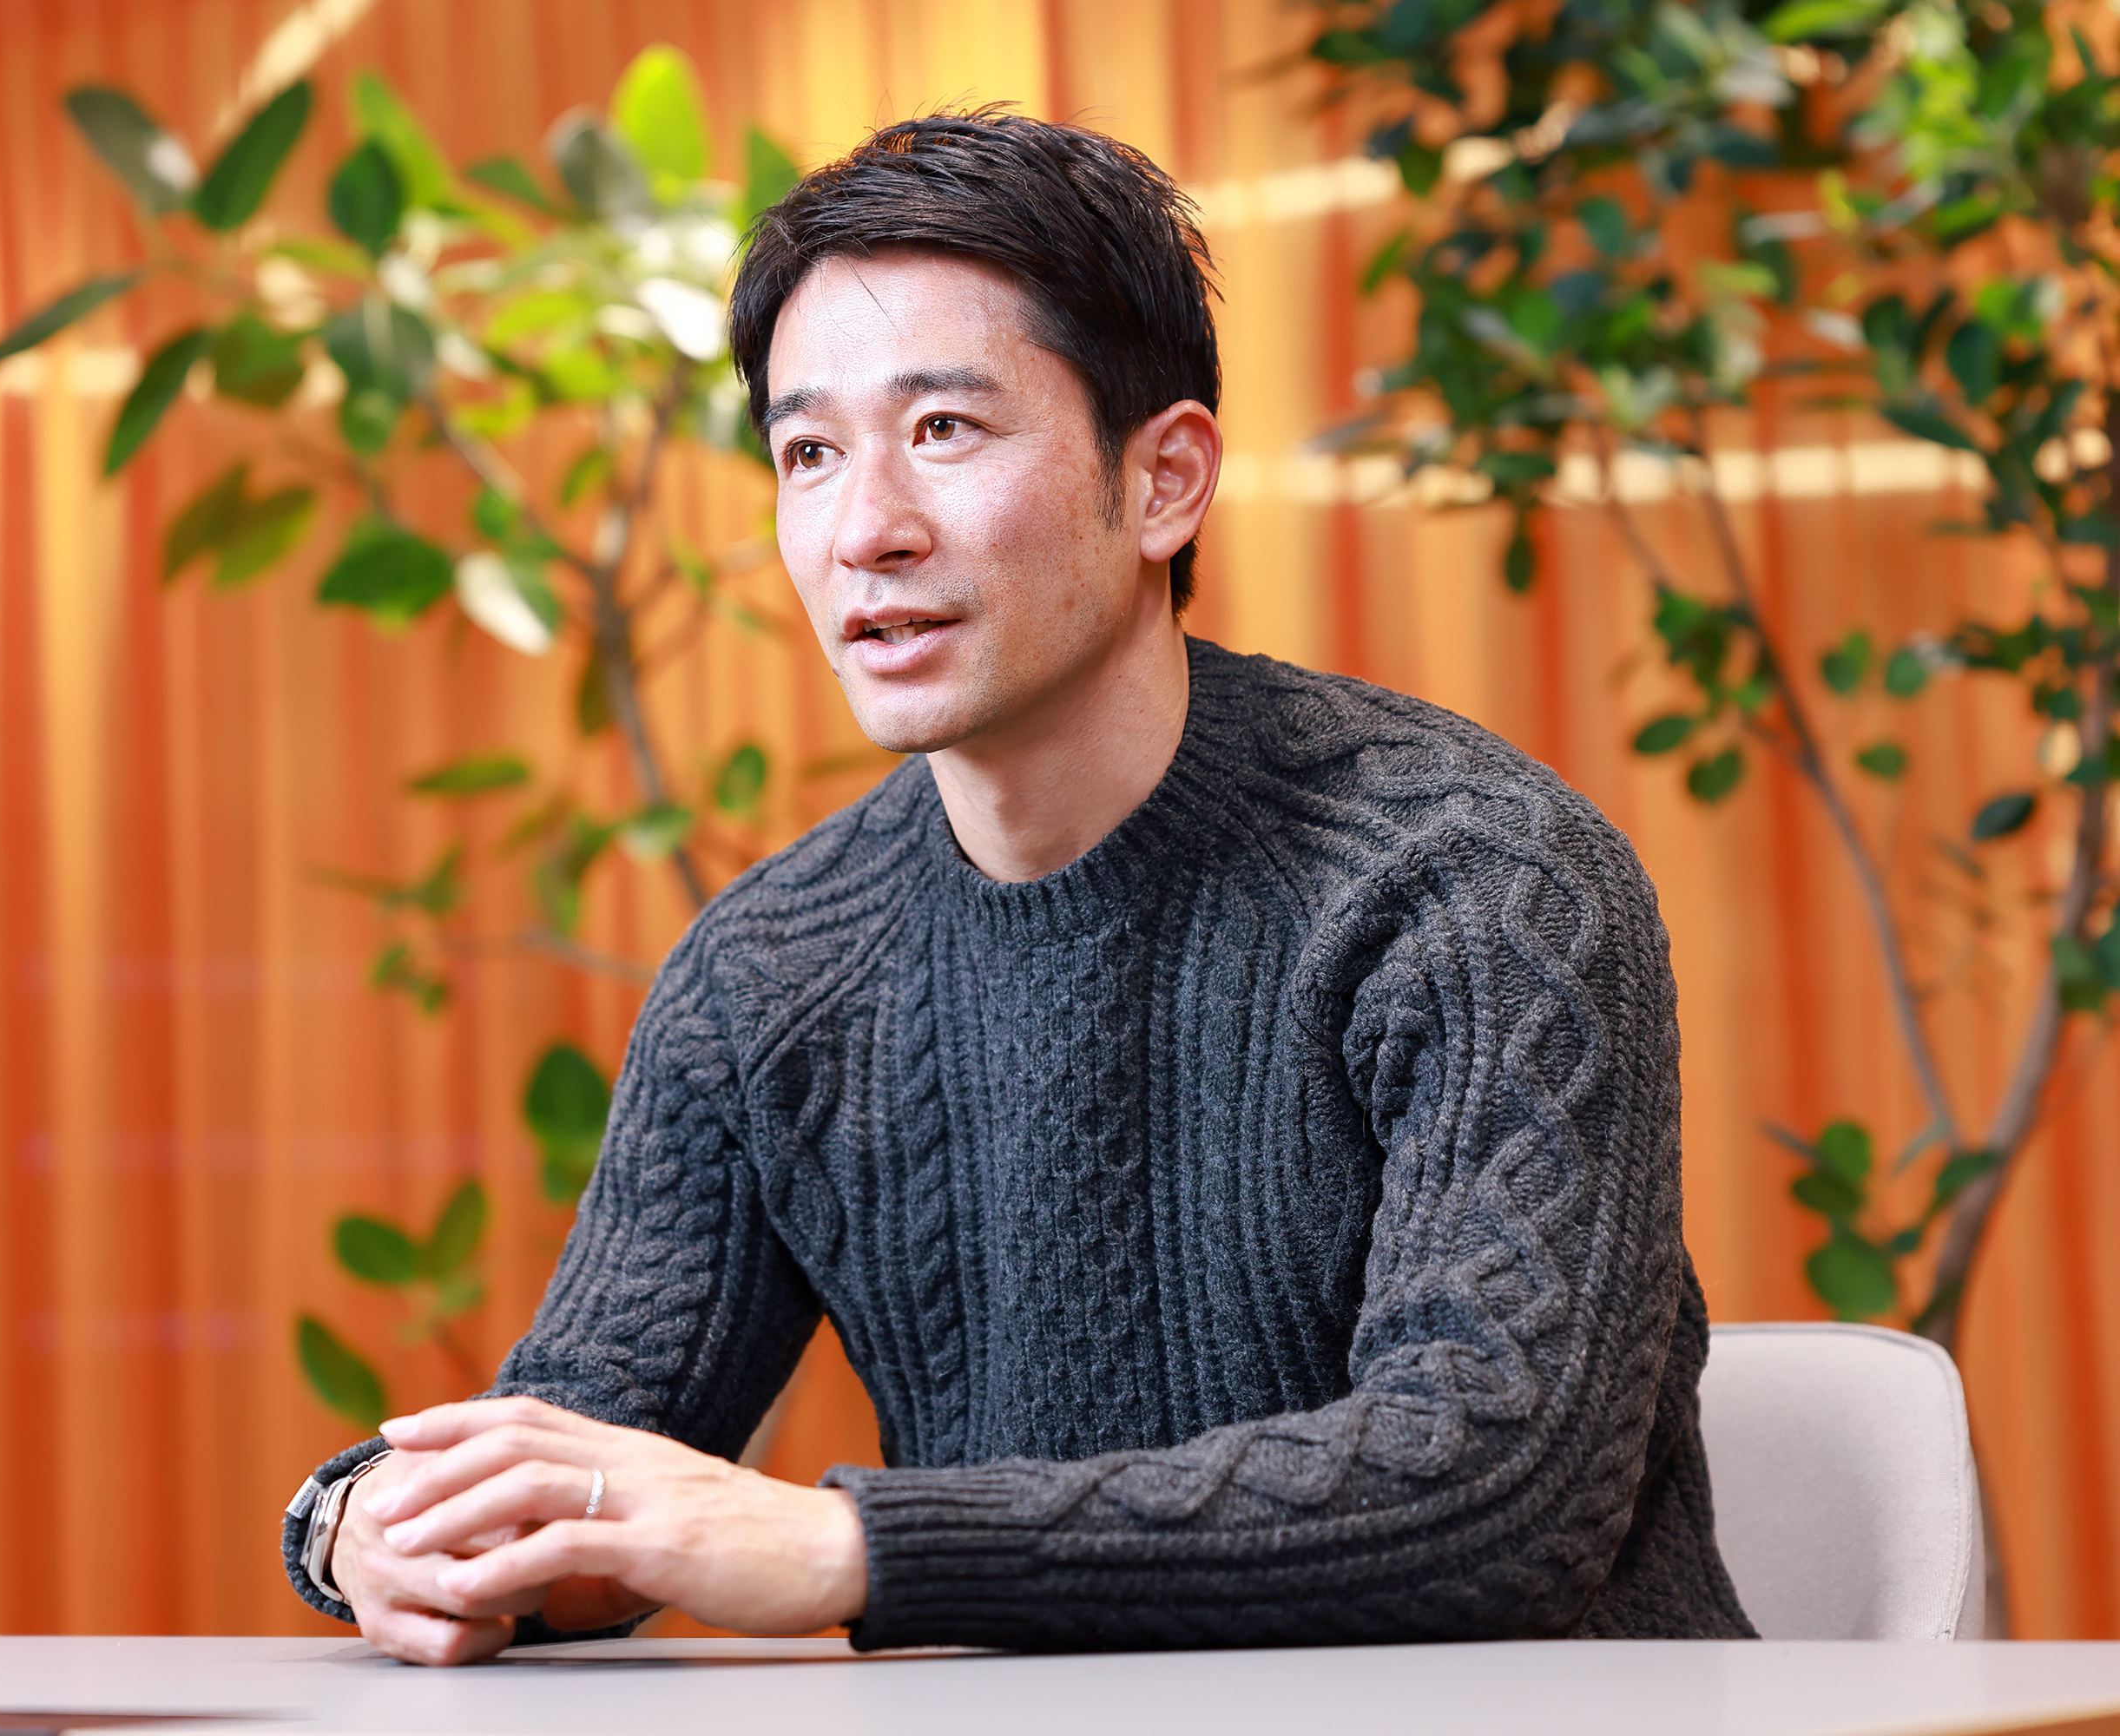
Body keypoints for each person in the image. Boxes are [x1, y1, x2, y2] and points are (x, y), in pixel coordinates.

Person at [279, 108, 1756, 1664]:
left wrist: (854, 1548)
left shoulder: (1470, 879)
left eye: (943, 430)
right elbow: (572, 1468)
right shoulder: (768, 974)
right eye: (808, 454)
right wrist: (365, 1523)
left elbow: (1499, 1493)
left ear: (1165, 480)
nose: (866, 531)